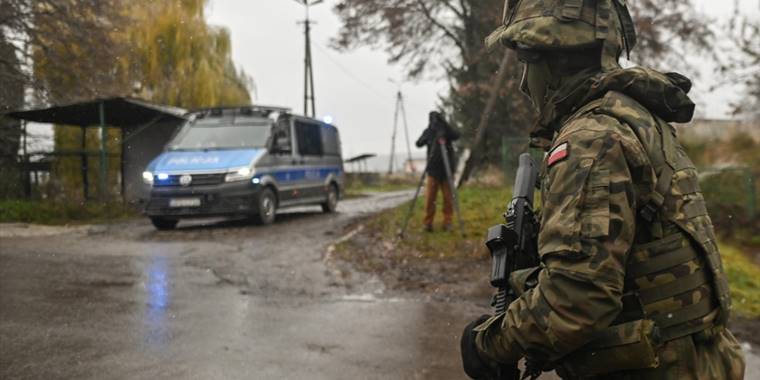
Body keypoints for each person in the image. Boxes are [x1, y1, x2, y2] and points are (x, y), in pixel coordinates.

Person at [460, 0, 745, 379]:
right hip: (692, 359)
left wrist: (488, 344)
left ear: (558, 60)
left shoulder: (592, 140)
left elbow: (576, 299)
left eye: (529, 63)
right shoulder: (639, 118)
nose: (524, 83)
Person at [416, 111, 460, 232]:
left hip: (447, 171)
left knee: (448, 199)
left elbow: (456, 135)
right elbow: (418, 143)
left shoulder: (446, 131)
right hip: (433, 170)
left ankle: (448, 222)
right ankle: (427, 223)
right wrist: (430, 134)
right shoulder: (429, 131)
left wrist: (445, 126)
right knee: (430, 199)